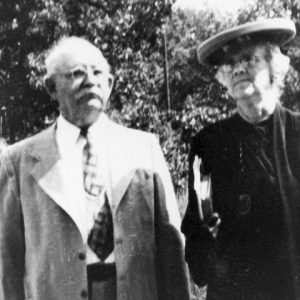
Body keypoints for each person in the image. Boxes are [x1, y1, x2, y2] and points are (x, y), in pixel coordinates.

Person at [0, 36, 190, 300]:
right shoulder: (18, 161)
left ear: (110, 84)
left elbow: (171, 247)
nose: (90, 80)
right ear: (51, 87)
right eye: (77, 73)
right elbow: (8, 261)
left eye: (98, 72)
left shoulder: (144, 148)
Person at [181, 18, 300, 299]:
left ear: (274, 68)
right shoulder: (208, 143)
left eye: (249, 58)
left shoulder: (297, 132)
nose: (238, 69)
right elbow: (195, 223)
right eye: (229, 64)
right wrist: (207, 250)